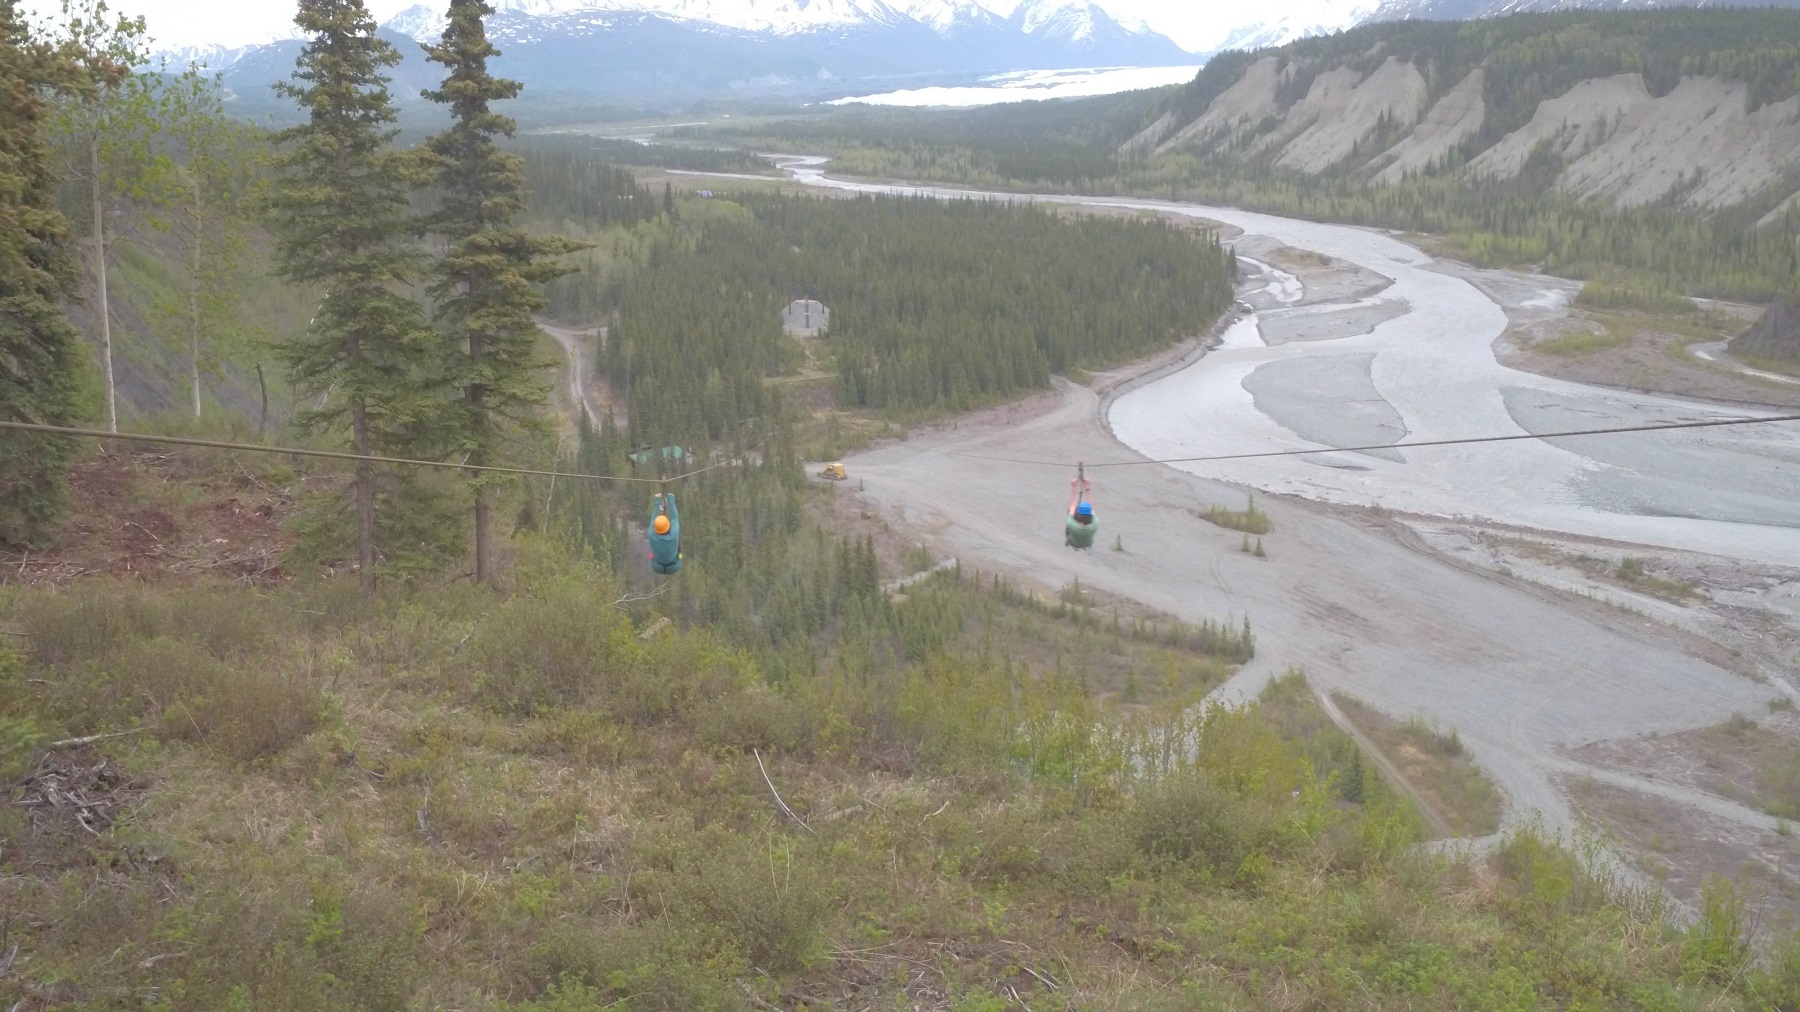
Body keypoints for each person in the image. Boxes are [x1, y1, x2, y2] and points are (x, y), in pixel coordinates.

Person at [649, 492, 681, 575]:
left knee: (652, 555)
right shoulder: (673, 534)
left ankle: (654, 556)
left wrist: (657, 500)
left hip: (656, 567)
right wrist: (671, 499)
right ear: (668, 526)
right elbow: (674, 518)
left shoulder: (651, 535)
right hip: (674, 566)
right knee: (679, 552)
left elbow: (653, 520)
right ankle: (679, 555)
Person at [1065, 468, 1097, 550]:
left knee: (1070, 513)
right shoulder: (1094, 524)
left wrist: (1074, 487)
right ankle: (1087, 545)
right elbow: (1091, 508)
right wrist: (1087, 486)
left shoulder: (1072, 524)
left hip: (1072, 542)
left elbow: (1072, 506)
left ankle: (1068, 542)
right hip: (1087, 543)